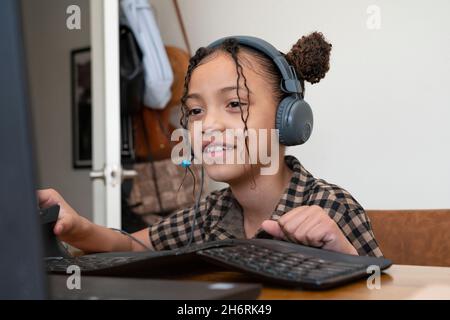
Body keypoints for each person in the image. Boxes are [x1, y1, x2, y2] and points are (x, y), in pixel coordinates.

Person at [38, 32, 382, 257]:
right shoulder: (209, 214)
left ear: (288, 119)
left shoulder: (331, 208)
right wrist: (76, 226)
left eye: (234, 104)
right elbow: (132, 245)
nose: (207, 126)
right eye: (196, 111)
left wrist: (343, 253)